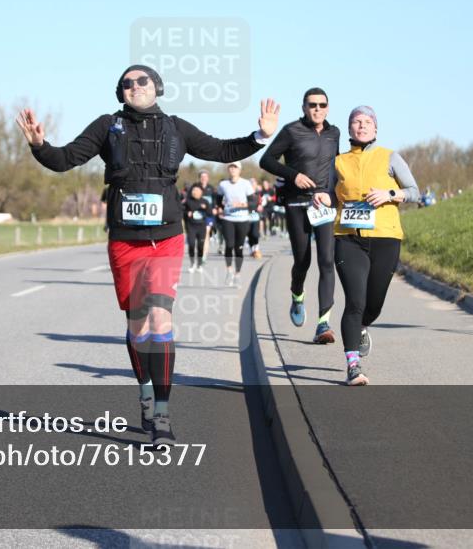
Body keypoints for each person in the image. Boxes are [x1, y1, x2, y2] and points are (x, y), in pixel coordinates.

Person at [17, 65, 279, 445]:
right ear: (120, 92)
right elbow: (65, 158)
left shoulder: (176, 128)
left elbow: (222, 149)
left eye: (141, 81)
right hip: (125, 240)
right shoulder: (108, 126)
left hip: (166, 238)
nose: (134, 86)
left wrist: (261, 135)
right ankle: (143, 391)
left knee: (159, 318)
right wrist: (39, 146)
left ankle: (162, 412)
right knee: (137, 326)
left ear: (157, 87)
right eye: (126, 83)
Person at [331, 106, 419, 385]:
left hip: (386, 237)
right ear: (349, 129)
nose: (362, 126)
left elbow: (415, 192)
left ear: (376, 128)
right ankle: (353, 365)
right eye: (356, 122)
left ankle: (363, 327)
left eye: (367, 122)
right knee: (354, 301)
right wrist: (320, 198)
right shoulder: (338, 162)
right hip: (348, 238)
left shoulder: (389, 157)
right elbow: (325, 192)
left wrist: (391, 194)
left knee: (373, 304)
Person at [260, 87, 340, 344]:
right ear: (304, 107)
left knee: (327, 261)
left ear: (328, 107)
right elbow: (267, 160)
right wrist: (293, 175)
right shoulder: (291, 130)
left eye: (322, 105)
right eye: (312, 105)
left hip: (323, 205)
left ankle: (323, 324)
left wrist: (333, 195)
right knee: (303, 261)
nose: (317, 109)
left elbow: (337, 167)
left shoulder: (334, 133)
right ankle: (297, 294)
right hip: (296, 203)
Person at [216, 162, 255, 287]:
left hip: (243, 219)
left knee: (239, 247)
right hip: (228, 218)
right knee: (229, 244)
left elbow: (254, 202)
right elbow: (218, 200)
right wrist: (220, 208)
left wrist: (242, 205)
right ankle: (229, 271)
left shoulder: (246, 184)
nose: (232, 169)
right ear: (228, 170)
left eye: (235, 167)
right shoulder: (223, 184)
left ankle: (237, 274)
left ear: (240, 170)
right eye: (231, 167)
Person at [183, 184, 211, 272]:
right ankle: (192, 263)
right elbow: (182, 210)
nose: (195, 192)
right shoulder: (188, 201)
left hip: (201, 226)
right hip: (191, 226)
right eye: (193, 191)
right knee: (191, 244)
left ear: (201, 192)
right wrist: (187, 213)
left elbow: (210, 213)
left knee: (200, 246)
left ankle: (199, 264)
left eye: (197, 191)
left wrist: (205, 208)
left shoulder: (205, 201)